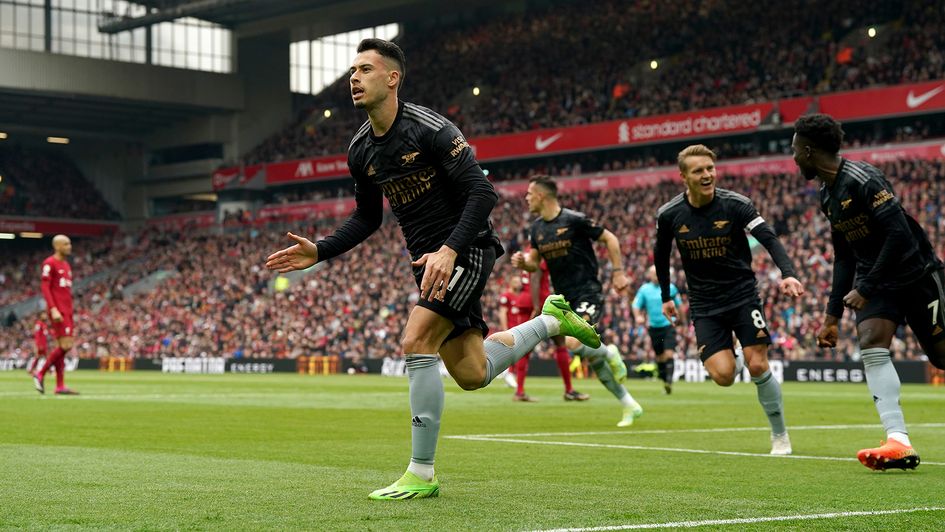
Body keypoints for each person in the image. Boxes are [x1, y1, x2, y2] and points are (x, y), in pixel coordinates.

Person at [265, 38, 601, 501]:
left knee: (415, 340)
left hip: (466, 249)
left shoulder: (431, 129)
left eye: (364, 69)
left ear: (392, 78)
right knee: (472, 372)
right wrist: (320, 251)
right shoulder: (360, 150)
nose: (354, 79)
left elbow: (483, 195)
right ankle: (549, 321)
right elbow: (368, 217)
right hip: (427, 263)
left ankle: (421, 472)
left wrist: (449, 248)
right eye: (351, 72)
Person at [792, 113, 945, 470]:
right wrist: (832, 316)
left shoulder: (865, 179)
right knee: (871, 342)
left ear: (809, 150)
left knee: (941, 358)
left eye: (795, 149)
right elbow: (843, 255)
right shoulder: (827, 195)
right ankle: (899, 440)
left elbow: (899, 235)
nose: (794, 156)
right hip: (878, 284)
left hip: (917, 274)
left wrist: (865, 286)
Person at [654, 145, 803, 455]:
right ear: (684, 176)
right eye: (698, 170)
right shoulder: (669, 215)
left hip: (742, 296)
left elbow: (769, 238)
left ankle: (780, 435)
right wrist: (667, 296)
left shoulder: (737, 205)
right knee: (723, 377)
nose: (707, 174)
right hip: (704, 304)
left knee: (758, 364)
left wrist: (787, 273)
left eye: (710, 168)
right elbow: (661, 255)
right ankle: (732, 353)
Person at [511, 175, 642, 427]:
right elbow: (534, 263)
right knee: (594, 358)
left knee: (573, 342)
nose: (526, 198)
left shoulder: (575, 220)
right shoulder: (536, 229)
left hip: (587, 290)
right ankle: (629, 404)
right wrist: (523, 263)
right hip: (563, 297)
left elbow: (610, 238)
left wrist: (618, 272)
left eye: (529, 194)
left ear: (541, 195)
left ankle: (611, 351)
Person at [33, 234, 79, 395]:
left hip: (67, 309)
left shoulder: (66, 265)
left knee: (63, 347)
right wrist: (53, 308)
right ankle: (40, 373)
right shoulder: (49, 263)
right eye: (66, 244)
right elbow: (45, 288)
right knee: (66, 345)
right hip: (58, 310)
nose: (69, 246)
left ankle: (60, 386)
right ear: (57, 246)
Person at [633, 265, 683, 394]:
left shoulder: (670, 288)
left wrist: (681, 320)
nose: (656, 276)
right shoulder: (644, 290)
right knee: (660, 357)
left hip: (668, 325)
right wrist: (638, 316)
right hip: (654, 328)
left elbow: (680, 305)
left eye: (658, 273)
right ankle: (664, 380)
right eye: (654, 273)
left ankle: (669, 382)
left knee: (669, 353)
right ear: (649, 275)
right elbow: (636, 305)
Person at [498, 275, 537, 401]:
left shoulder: (524, 297)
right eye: (515, 281)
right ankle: (513, 379)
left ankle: (512, 376)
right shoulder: (507, 296)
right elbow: (502, 312)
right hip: (513, 331)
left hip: (523, 330)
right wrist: (505, 329)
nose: (518, 283)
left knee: (523, 357)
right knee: (521, 357)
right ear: (510, 283)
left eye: (519, 281)